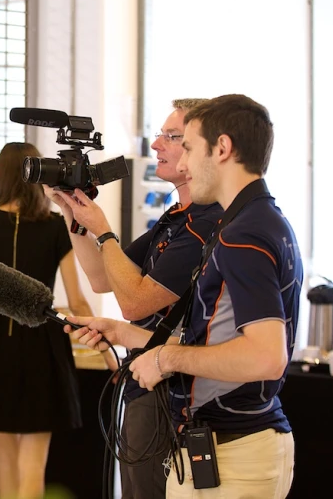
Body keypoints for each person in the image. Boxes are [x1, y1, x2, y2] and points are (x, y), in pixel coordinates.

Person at [70, 94, 302, 498]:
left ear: (223, 149)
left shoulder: (244, 233)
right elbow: (209, 340)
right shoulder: (249, 222)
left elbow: (267, 356)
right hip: (216, 442)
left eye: (188, 147)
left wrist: (165, 358)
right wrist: (123, 333)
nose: (181, 162)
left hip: (233, 445)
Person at [48, 99, 221, 498]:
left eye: (172, 137)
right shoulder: (176, 217)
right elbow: (101, 278)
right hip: (146, 382)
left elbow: (135, 303)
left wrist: (104, 229)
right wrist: (72, 215)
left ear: (203, 147)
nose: (156, 145)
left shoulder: (205, 224)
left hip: (173, 390)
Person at [0, 142, 94, 499]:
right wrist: (109, 348)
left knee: (5, 460)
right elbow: (76, 300)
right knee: (34, 462)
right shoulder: (57, 227)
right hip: (43, 344)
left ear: (0, 176)